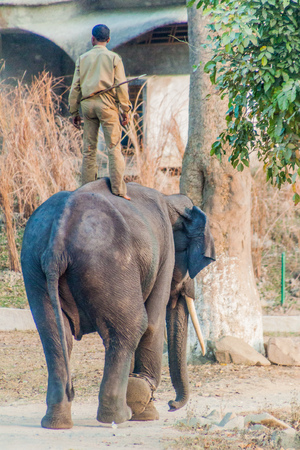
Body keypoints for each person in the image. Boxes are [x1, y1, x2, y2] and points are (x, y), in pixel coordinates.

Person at [69, 24, 131, 200]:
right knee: (114, 148)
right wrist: (125, 109)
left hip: (88, 105)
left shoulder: (82, 58)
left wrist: (74, 112)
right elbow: (122, 86)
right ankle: (119, 190)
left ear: (92, 39)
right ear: (109, 40)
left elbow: (75, 87)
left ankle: (86, 190)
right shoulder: (114, 58)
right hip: (107, 104)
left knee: (89, 149)